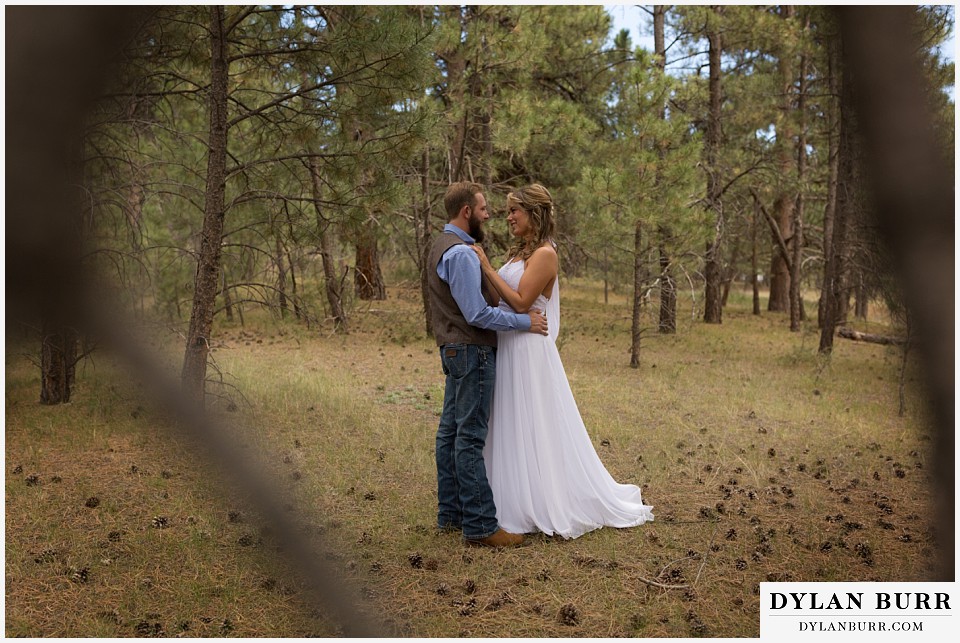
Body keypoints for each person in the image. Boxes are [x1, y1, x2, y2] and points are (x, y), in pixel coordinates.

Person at [471, 184, 654, 539]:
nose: (508, 217)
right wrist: (482, 272)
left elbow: (523, 302)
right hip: (509, 344)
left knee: (534, 423)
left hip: (529, 349)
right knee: (509, 419)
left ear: (534, 213)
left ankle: (541, 499)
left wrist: (485, 266)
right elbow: (499, 298)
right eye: (508, 211)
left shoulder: (545, 254)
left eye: (514, 211)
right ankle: (508, 496)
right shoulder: (518, 253)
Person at [427, 181, 549, 548]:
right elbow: (478, 314)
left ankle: (451, 515)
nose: (489, 214)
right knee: (469, 437)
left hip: (452, 349)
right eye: (483, 209)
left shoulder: (439, 244)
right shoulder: (462, 254)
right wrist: (525, 322)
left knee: (449, 433)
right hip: (470, 351)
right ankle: (480, 524)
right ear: (467, 211)